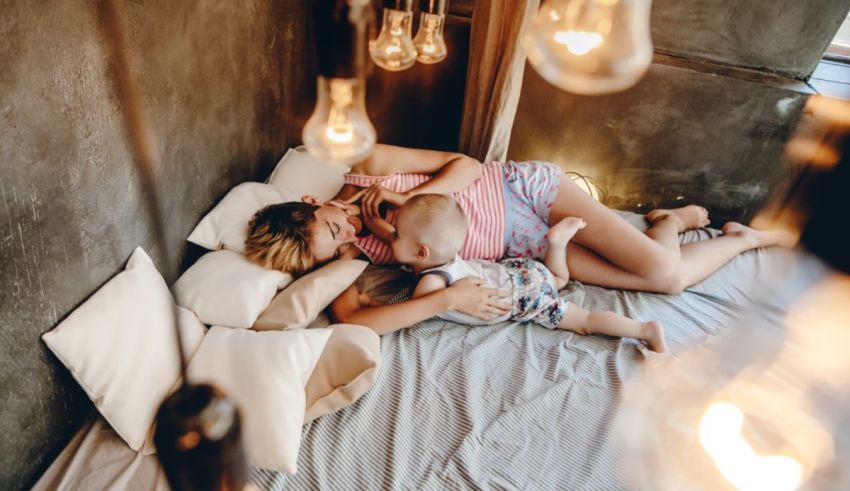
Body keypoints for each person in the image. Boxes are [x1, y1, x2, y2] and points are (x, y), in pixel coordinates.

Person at [245, 144, 793, 333]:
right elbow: (353, 318)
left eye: (337, 223)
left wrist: (409, 202)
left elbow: (467, 164)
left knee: (662, 271)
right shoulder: (354, 255)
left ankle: (742, 240)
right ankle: (674, 226)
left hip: (524, 193)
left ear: (315, 202)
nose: (351, 233)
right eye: (337, 244)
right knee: (666, 285)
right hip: (526, 249)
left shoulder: (372, 167)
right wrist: (446, 299)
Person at [387, 193, 668, 351]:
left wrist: (373, 304)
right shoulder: (445, 258)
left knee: (585, 320)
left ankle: (643, 329)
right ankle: (556, 244)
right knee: (558, 279)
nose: (390, 237)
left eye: (395, 234)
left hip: (523, 297)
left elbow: (405, 314)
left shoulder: (429, 286)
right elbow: (405, 242)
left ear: (421, 253)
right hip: (520, 270)